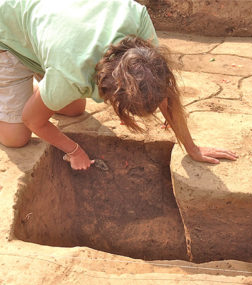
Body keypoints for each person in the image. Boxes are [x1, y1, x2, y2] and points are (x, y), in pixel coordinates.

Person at [0, 0, 237, 170]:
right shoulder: (70, 74)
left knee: (73, 109)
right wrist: (74, 151)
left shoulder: (137, 18)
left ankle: (38, 90)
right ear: (108, 89)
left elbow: (164, 92)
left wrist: (192, 147)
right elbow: (33, 120)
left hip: (52, 31)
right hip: (9, 36)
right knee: (16, 137)